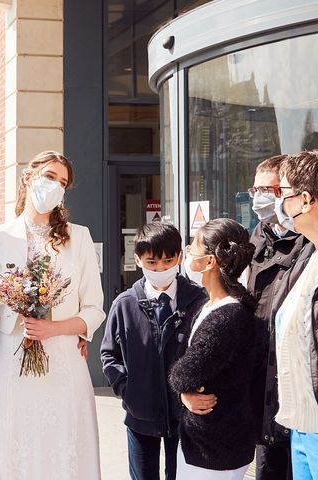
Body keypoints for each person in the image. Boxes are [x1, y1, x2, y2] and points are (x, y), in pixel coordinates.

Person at [0, 151, 105, 480]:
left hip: (62, 356)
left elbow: (95, 308)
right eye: (50, 177)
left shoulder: (79, 237)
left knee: (61, 441)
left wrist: (55, 328)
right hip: (10, 355)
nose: (55, 186)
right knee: (12, 439)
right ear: (29, 177)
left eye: (62, 183)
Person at [101, 222, 208, 480]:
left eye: (167, 261)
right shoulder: (125, 304)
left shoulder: (199, 300)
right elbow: (109, 355)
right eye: (151, 263)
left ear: (180, 257)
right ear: (137, 259)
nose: (160, 269)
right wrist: (128, 390)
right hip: (140, 417)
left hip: (186, 418)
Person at [170, 218, 258, 479]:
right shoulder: (207, 305)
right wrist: (183, 395)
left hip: (217, 447)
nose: (188, 253)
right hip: (206, 442)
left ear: (210, 261)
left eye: (193, 247)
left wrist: (182, 387)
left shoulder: (228, 316)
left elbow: (182, 374)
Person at [247, 154, 314, 480]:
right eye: (255, 189)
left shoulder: (307, 248)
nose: (265, 198)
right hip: (280, 399)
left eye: (275, 190)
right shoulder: (255, 240)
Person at [271, 150, 318, 479]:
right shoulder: (309, 256)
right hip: (302, 426)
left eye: (281, 192)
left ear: (305, 199)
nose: (278, 203)